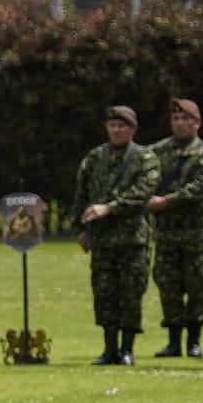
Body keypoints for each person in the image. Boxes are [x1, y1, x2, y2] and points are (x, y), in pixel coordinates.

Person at [72, 105, 161, 366]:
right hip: (102, 241)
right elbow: (81, 194)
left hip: (132, 239)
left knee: (131, 293)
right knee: (105, 294)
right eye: (113, 125)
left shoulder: (145, 158)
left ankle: (127, 350)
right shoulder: (95, 157)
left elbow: (143, 192)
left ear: (133, 129)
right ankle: (109, 348)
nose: (117, 130)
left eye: (122, 126)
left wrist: (109, 208)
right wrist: (79, 229)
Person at [145, 98, 203, 358]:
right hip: (166, 232)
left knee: (198, 284)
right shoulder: (156, 151)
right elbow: (145, 178)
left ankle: (194, 341)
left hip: (196, 232)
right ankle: (173, 341)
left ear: (197, 123)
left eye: (186, 119)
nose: (181, 123)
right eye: (176, 119)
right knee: (168, 284)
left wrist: (167, 201)